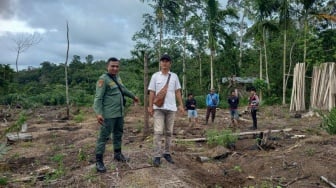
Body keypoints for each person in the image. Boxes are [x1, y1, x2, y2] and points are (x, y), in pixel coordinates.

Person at [93, 57, 139, 173]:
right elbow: (98, 98)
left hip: (119, 113)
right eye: (112, 66)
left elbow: (123, 89)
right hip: (108, 115)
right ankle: (99, 162)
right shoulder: (103, 80)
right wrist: (98, 113)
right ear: (107, 67)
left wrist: (133, 96)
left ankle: (118, 154)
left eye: (117, 66)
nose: (115, 68)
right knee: (103, 138)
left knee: (118, 134)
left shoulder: (117, 77)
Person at [148, 54, 184, 167]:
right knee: (158, 132)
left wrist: (181, 105)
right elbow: (152, 92)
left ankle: (167, 153)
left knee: (169, 132)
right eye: (162, 61)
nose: (164, 63)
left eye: (167, 61)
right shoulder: (155, 76)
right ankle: (157, 156)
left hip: (171, 108)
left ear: (170, 63)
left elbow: (178, 91)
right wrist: (150, 106)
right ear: (160, 63)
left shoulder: (174, 76)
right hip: (158, 109)